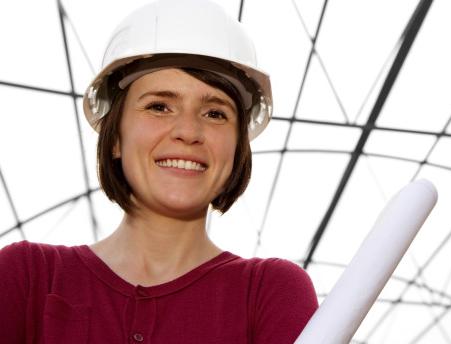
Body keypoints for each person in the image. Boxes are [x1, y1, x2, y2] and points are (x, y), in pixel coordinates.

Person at [0, 0, 318, 342]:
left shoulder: (270, 292)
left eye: (215, 113)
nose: (188, 132)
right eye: (159, 106)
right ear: (115, 138)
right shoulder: (28, 278)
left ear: (238, 148)